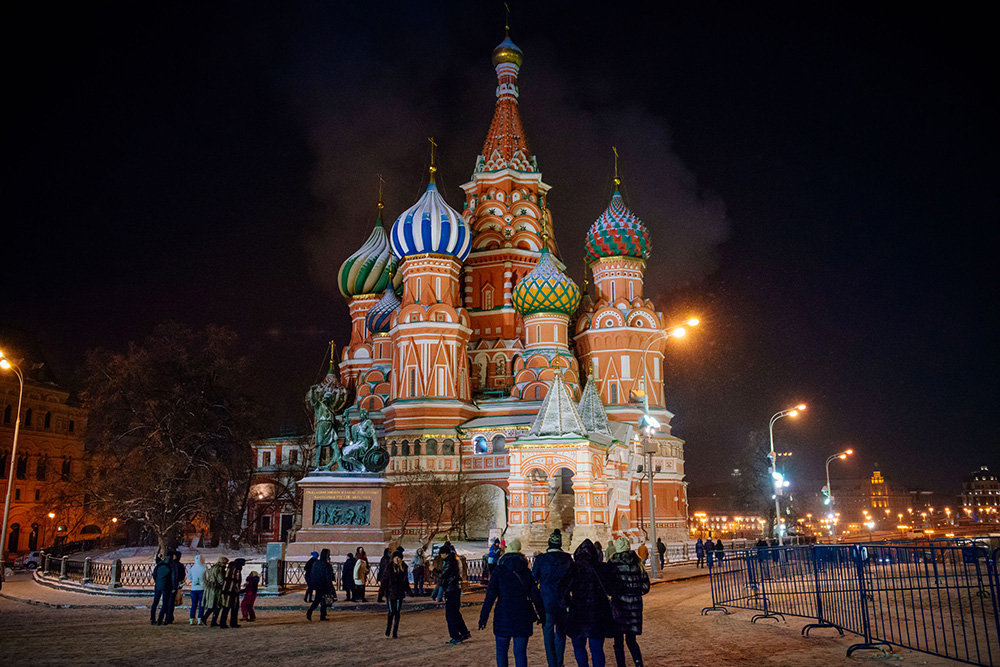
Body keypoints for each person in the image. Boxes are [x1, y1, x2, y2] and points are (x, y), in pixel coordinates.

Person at [479, 538, 545, 667]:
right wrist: (542, 614)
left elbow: (490, 596)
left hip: (503, 615)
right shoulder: (525, 571)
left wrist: (484, 616)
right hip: (523, 615)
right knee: (520, 653)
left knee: (501, 651)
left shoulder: (499, 571)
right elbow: (535, 595)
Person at [560, 539, 612, 667]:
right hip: (597, 615)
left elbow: (562, 590)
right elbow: (611, 588)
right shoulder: (601, 568)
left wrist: (568, 605)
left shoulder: (573, 568)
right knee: (597, 649)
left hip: (578, 614)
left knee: (578, 647)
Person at [532, 529, 573, 667]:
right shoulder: (567, 558)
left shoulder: (541, 559)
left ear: (549, 544)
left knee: (548, 634)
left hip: (546, 603)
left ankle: (552, 663)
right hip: (563, 603)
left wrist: (536, 601)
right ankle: (560, 662)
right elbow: (573, 580)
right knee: (561, 633)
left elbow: (533, 580)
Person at [607, 538, 650, 667]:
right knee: (631, 640)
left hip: (618, 606)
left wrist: (617, 593)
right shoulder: (637, 563)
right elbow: (646, 586)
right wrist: (635, 593)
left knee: (618, 641)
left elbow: (608, 586)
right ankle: (638, 664)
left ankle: (621, 665)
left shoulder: (612, 563)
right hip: (634, 606)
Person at [440, 544, 471, 644]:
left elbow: (442, 575)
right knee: (456, 613)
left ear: (445, 554)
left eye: (441, 554)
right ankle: (464, 632)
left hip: (451, 590)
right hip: (454, 589)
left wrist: (434, 570)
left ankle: (455, 636)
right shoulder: (454, 560)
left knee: (450, 615)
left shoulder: (450, 562)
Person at [384, 550, 411, 638]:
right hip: (390, 593)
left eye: (399, 558)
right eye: (396, 558)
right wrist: (381, 593)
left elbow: (405, 581)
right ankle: (388, 628)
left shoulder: (404, 567)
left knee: (397, 612)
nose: (397, 559)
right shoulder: (389, 567)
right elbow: (384, 580)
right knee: (391, 612)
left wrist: (409, 591)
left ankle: (395, 631)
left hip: (399, 592)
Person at [307, 549, 335, 621]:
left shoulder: (316, 563)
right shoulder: (326, 565)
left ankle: (318, 614)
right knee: (322, 601)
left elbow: (312, 574)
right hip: (324, 585)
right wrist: (330, 586)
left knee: (319, 600)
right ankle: (317, 614)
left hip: (317, 584)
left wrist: (313, 584)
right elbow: (328, 577)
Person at [201, 556, 228, 627]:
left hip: (210, 587)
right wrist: (224, 585)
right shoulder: (220, 569)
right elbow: (220, 579)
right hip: (216, 588)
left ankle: (212, 621)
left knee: (214, 605)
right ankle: (205, 618)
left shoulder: (213, 567)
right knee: (216, 605)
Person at [220, 558, 246, 629]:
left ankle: (223, 622)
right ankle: (232, 623)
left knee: (226, 607)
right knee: (234, 607)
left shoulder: (230, 567)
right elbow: (236, 581)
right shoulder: (237, 569)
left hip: (225, 589)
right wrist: (239, 590)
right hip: (232, 591)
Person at [151, 553, 173, 626]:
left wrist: (157, 581)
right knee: (164, 603)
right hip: (166, 586)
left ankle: (152, 618)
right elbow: (172, 578)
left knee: (155, 602)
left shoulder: (159, 566)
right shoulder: (170, 567)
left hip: (158, 586)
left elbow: (154, 575)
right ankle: (160, 619)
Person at [168, 550, 185, 624]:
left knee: (169, 601)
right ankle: (170, 617)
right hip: (175, 585)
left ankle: (168, 616)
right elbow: (182, 576)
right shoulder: (179, 565)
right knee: (172, 602)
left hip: (169, 584)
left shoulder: (170, 564)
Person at [188, 553, 207, 625]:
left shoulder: (193, 568)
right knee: (201, 605)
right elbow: (207, 577)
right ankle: (200, 619)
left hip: (193, 588)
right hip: (202, 588)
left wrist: (193, 581)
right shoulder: (204, 568)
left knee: (193, 605)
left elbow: (189, 576)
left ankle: (192, 619)